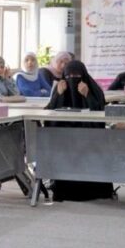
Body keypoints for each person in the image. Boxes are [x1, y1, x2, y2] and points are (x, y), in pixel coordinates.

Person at [45, 59, 114, 202]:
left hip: (90, 137)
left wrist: (87, 95)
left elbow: (101, 113)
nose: (72, 80)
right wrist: (59, 94)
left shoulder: (93, 89)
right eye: (69, 76)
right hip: (65, 138)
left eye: (76, 76)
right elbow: (49, 113)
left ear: (83, 76)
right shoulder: (60, 87)